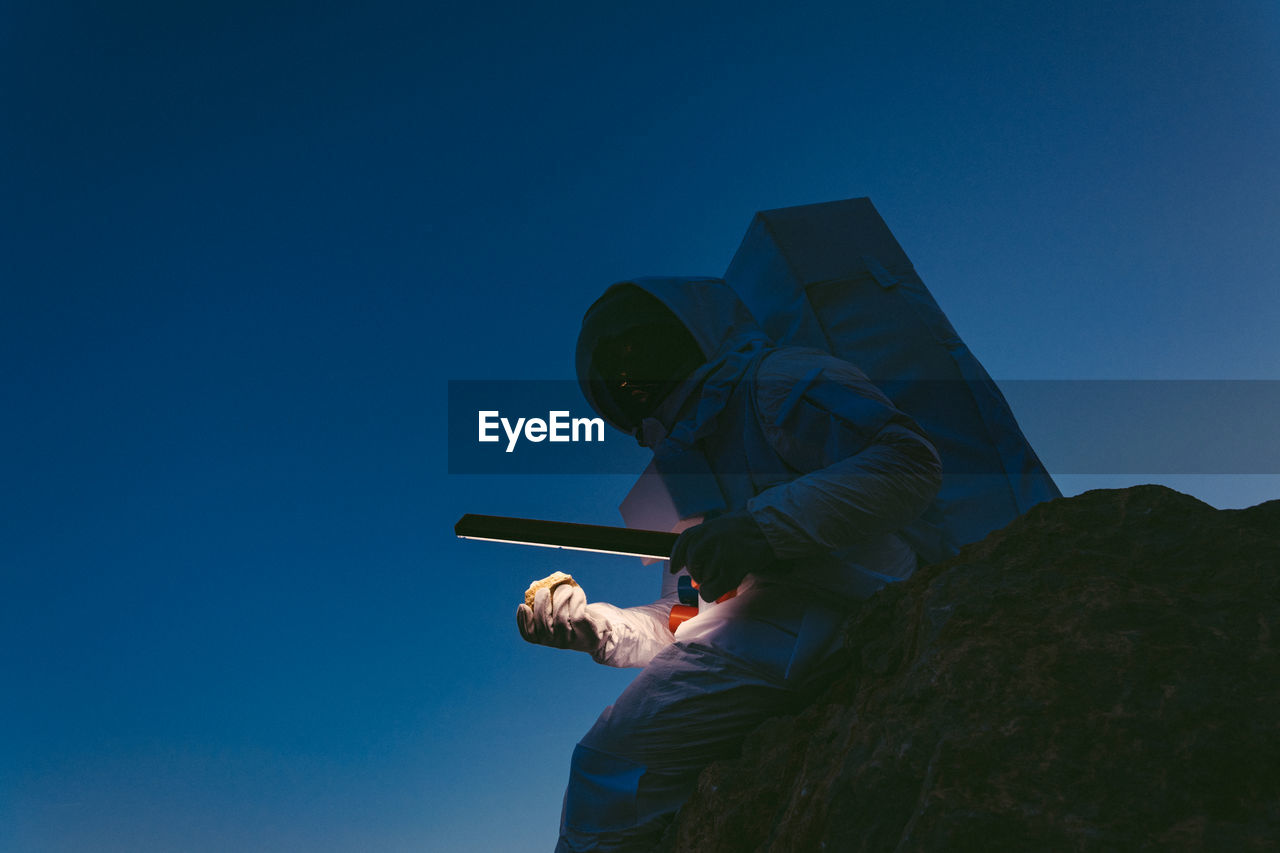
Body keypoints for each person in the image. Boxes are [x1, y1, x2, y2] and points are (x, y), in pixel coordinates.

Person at [517, 278, 943, 852]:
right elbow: (683, 614)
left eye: (636, 344)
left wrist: (762, 528)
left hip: (862, 593)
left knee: (609, 771)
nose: (628, 369)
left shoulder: (778, 379)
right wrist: (599, 626)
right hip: (760, 635)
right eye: (611, 364)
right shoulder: (679, 467)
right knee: (605, 765)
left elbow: (907, 464)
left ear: (689, 327)